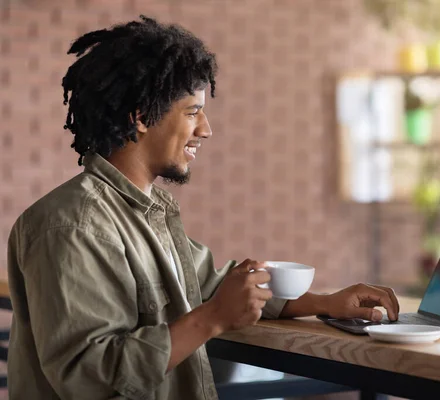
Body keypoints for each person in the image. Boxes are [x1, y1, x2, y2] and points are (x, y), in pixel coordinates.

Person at [6, 15, 400, 400]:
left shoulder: (145, 211)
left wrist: (326, 303)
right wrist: (211, 318)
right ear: (141, 117)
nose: (206, 128)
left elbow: (210, 283)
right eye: (192, 112)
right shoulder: (71, 226)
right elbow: (88, 379)